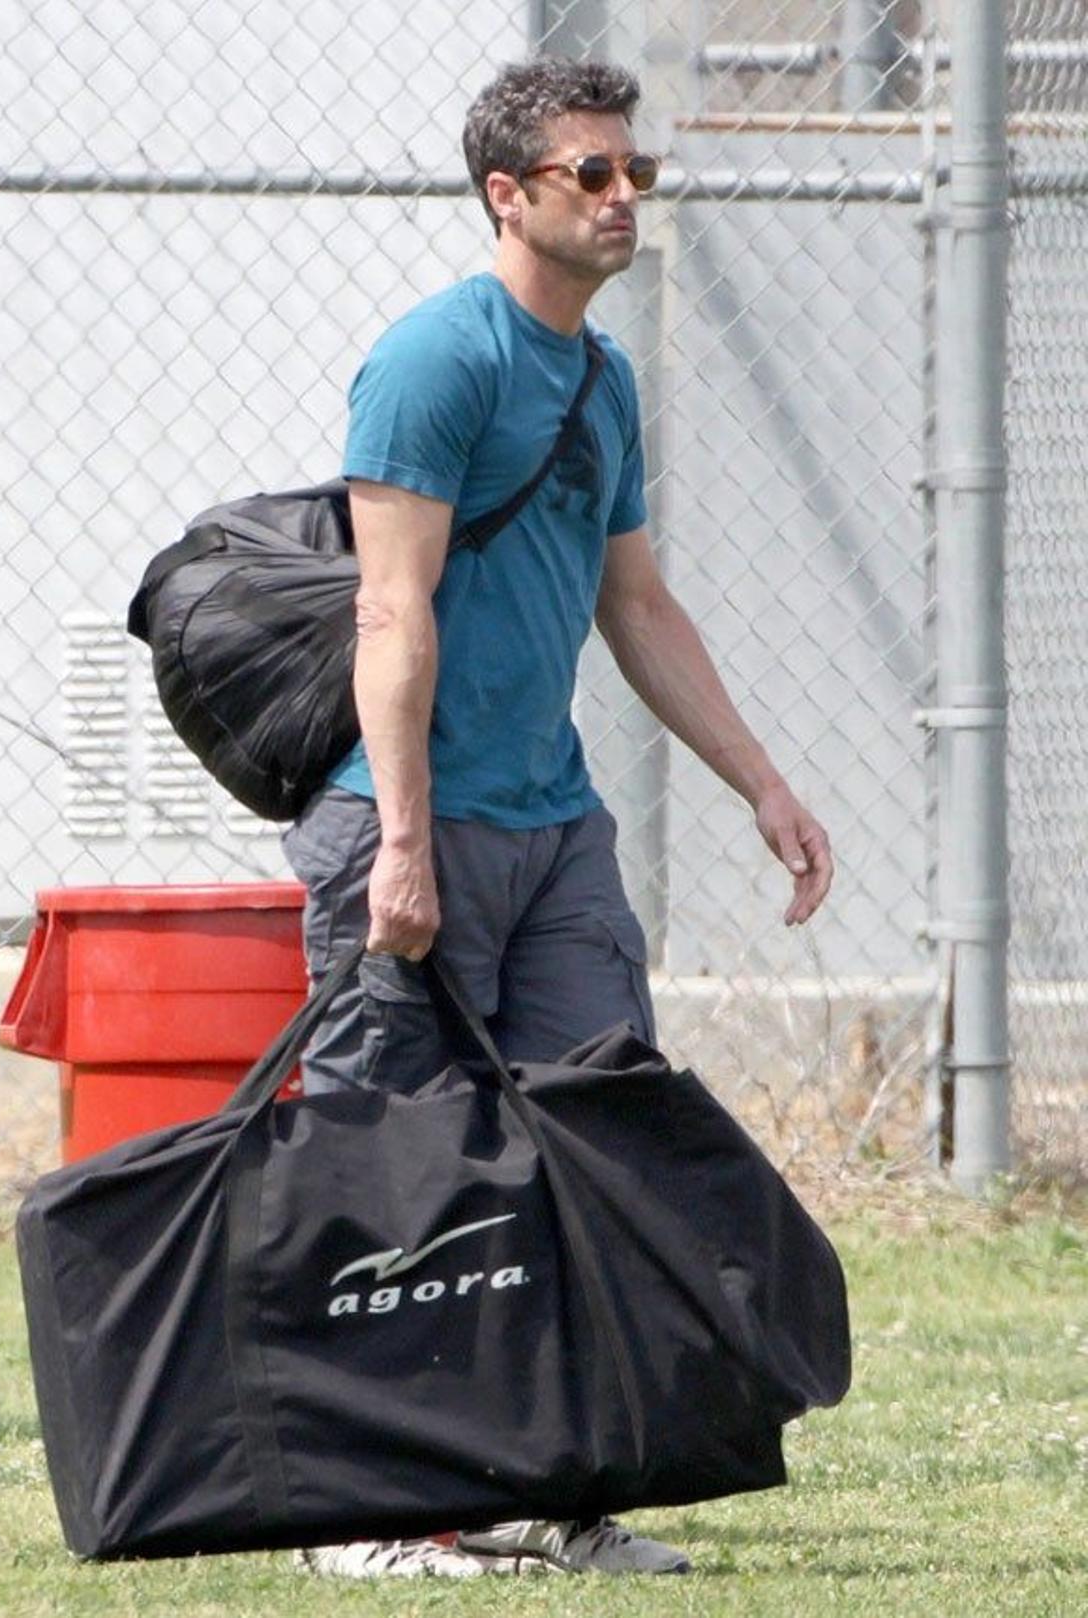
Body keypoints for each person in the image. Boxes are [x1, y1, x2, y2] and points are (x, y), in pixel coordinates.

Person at [287, 56, 833, 1579]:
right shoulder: (432, 362)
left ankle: (542, 1485)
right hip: (412, 825)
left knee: (593, 1138)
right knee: (393, 1159)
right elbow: (390, 618)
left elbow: (637, 604)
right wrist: (399, 842)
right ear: (506, 195)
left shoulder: (603, 380)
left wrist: (764, 784)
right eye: (589, 173)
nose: (622, 195)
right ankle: (364, 1508)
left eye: (630, 170)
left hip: (552, 827)